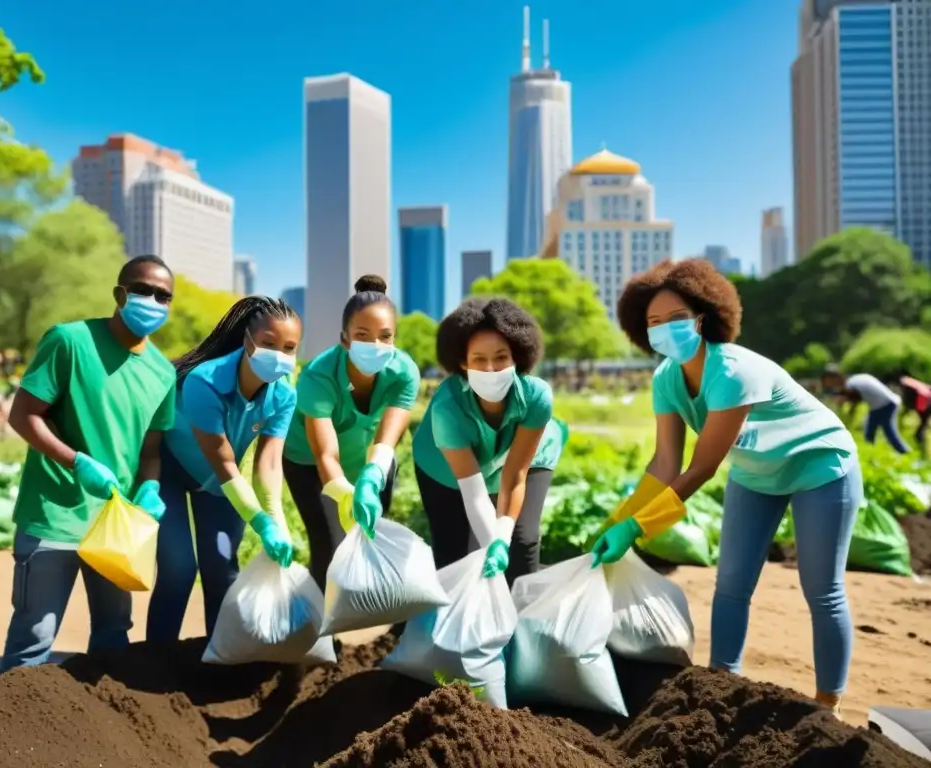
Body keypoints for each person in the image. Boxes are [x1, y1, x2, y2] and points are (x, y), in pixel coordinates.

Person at [593, 258, 860, 717]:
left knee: (822, 588)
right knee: (732, 584)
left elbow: (701, 468)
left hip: (819, 466)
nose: (663, 330)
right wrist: (618, 520)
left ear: (703, 317)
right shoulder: (666, 379)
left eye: (676, 319)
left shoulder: (733, 371)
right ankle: (720, 684)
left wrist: (638, 528)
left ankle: (828, 706)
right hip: (755, 474)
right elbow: (664, 463)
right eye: (653, 323)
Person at [0, 254, 177, 671]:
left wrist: (149, 487)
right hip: (53, 514)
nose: (152, 300)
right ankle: (7, 735)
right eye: (143, 290)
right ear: (120, 294)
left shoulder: (163, 373)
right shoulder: (69, 341)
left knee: (114, 637)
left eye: (163, 296)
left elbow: (150, 452)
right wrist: (76, 461)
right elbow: (23, 416)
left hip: (115, 527)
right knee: (33, 638)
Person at [146, 296, 301, 643]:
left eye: (289, 348)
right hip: (171, 472)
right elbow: (225, 460)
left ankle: (220, 658)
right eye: (268, 344)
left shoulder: (284, 396)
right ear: (247, 341)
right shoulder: (204, 382)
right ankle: (157, 659)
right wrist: (259, 521)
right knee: (179, 568)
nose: (279, 355)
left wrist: (276, 521)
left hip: (217, 485)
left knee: (221, 569)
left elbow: (269, 463)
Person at [411, 297, 565, 586]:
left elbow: (515, 475)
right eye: (478, 360)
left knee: (522, 538)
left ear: (516, 357)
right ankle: (451, 624)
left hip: (520, 462)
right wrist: (490, 544)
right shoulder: (448, 407)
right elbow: (474, 493)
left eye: (501, 357)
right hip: (445, 470)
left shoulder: (537, 396)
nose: (491, 369)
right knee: (454, 552)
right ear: (462, 363)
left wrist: (502, 534)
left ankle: (521, 622)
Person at [282, 275, 419, 590]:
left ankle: (370, 615)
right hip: (309, 465)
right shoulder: (319, 375)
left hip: (366, 459)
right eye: (363, 335)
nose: (376, 345)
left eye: (386, 336)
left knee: (370, 540)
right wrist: (345, 495)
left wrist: (372, 477)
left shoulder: (404, 373)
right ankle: (323, 635)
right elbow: (325, 455)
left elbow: (387, 442)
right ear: (344, 339)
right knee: (330, 546)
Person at [822, 367, 909, 454]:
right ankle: (873, 453)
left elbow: (855, 398)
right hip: (884, 404)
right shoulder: (854, 380)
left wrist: (847, 407)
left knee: (884, 432)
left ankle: (904, 452)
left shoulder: (851, 384)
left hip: (884, 404)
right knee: (872, 431)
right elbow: (855, 397)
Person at [900, 375, 931, 448]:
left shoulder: (908, 384)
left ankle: (919, 437)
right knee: (923, 423)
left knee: (923, 423)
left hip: (924, 402)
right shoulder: (910, 385)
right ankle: (918, 437)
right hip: (924, 403)